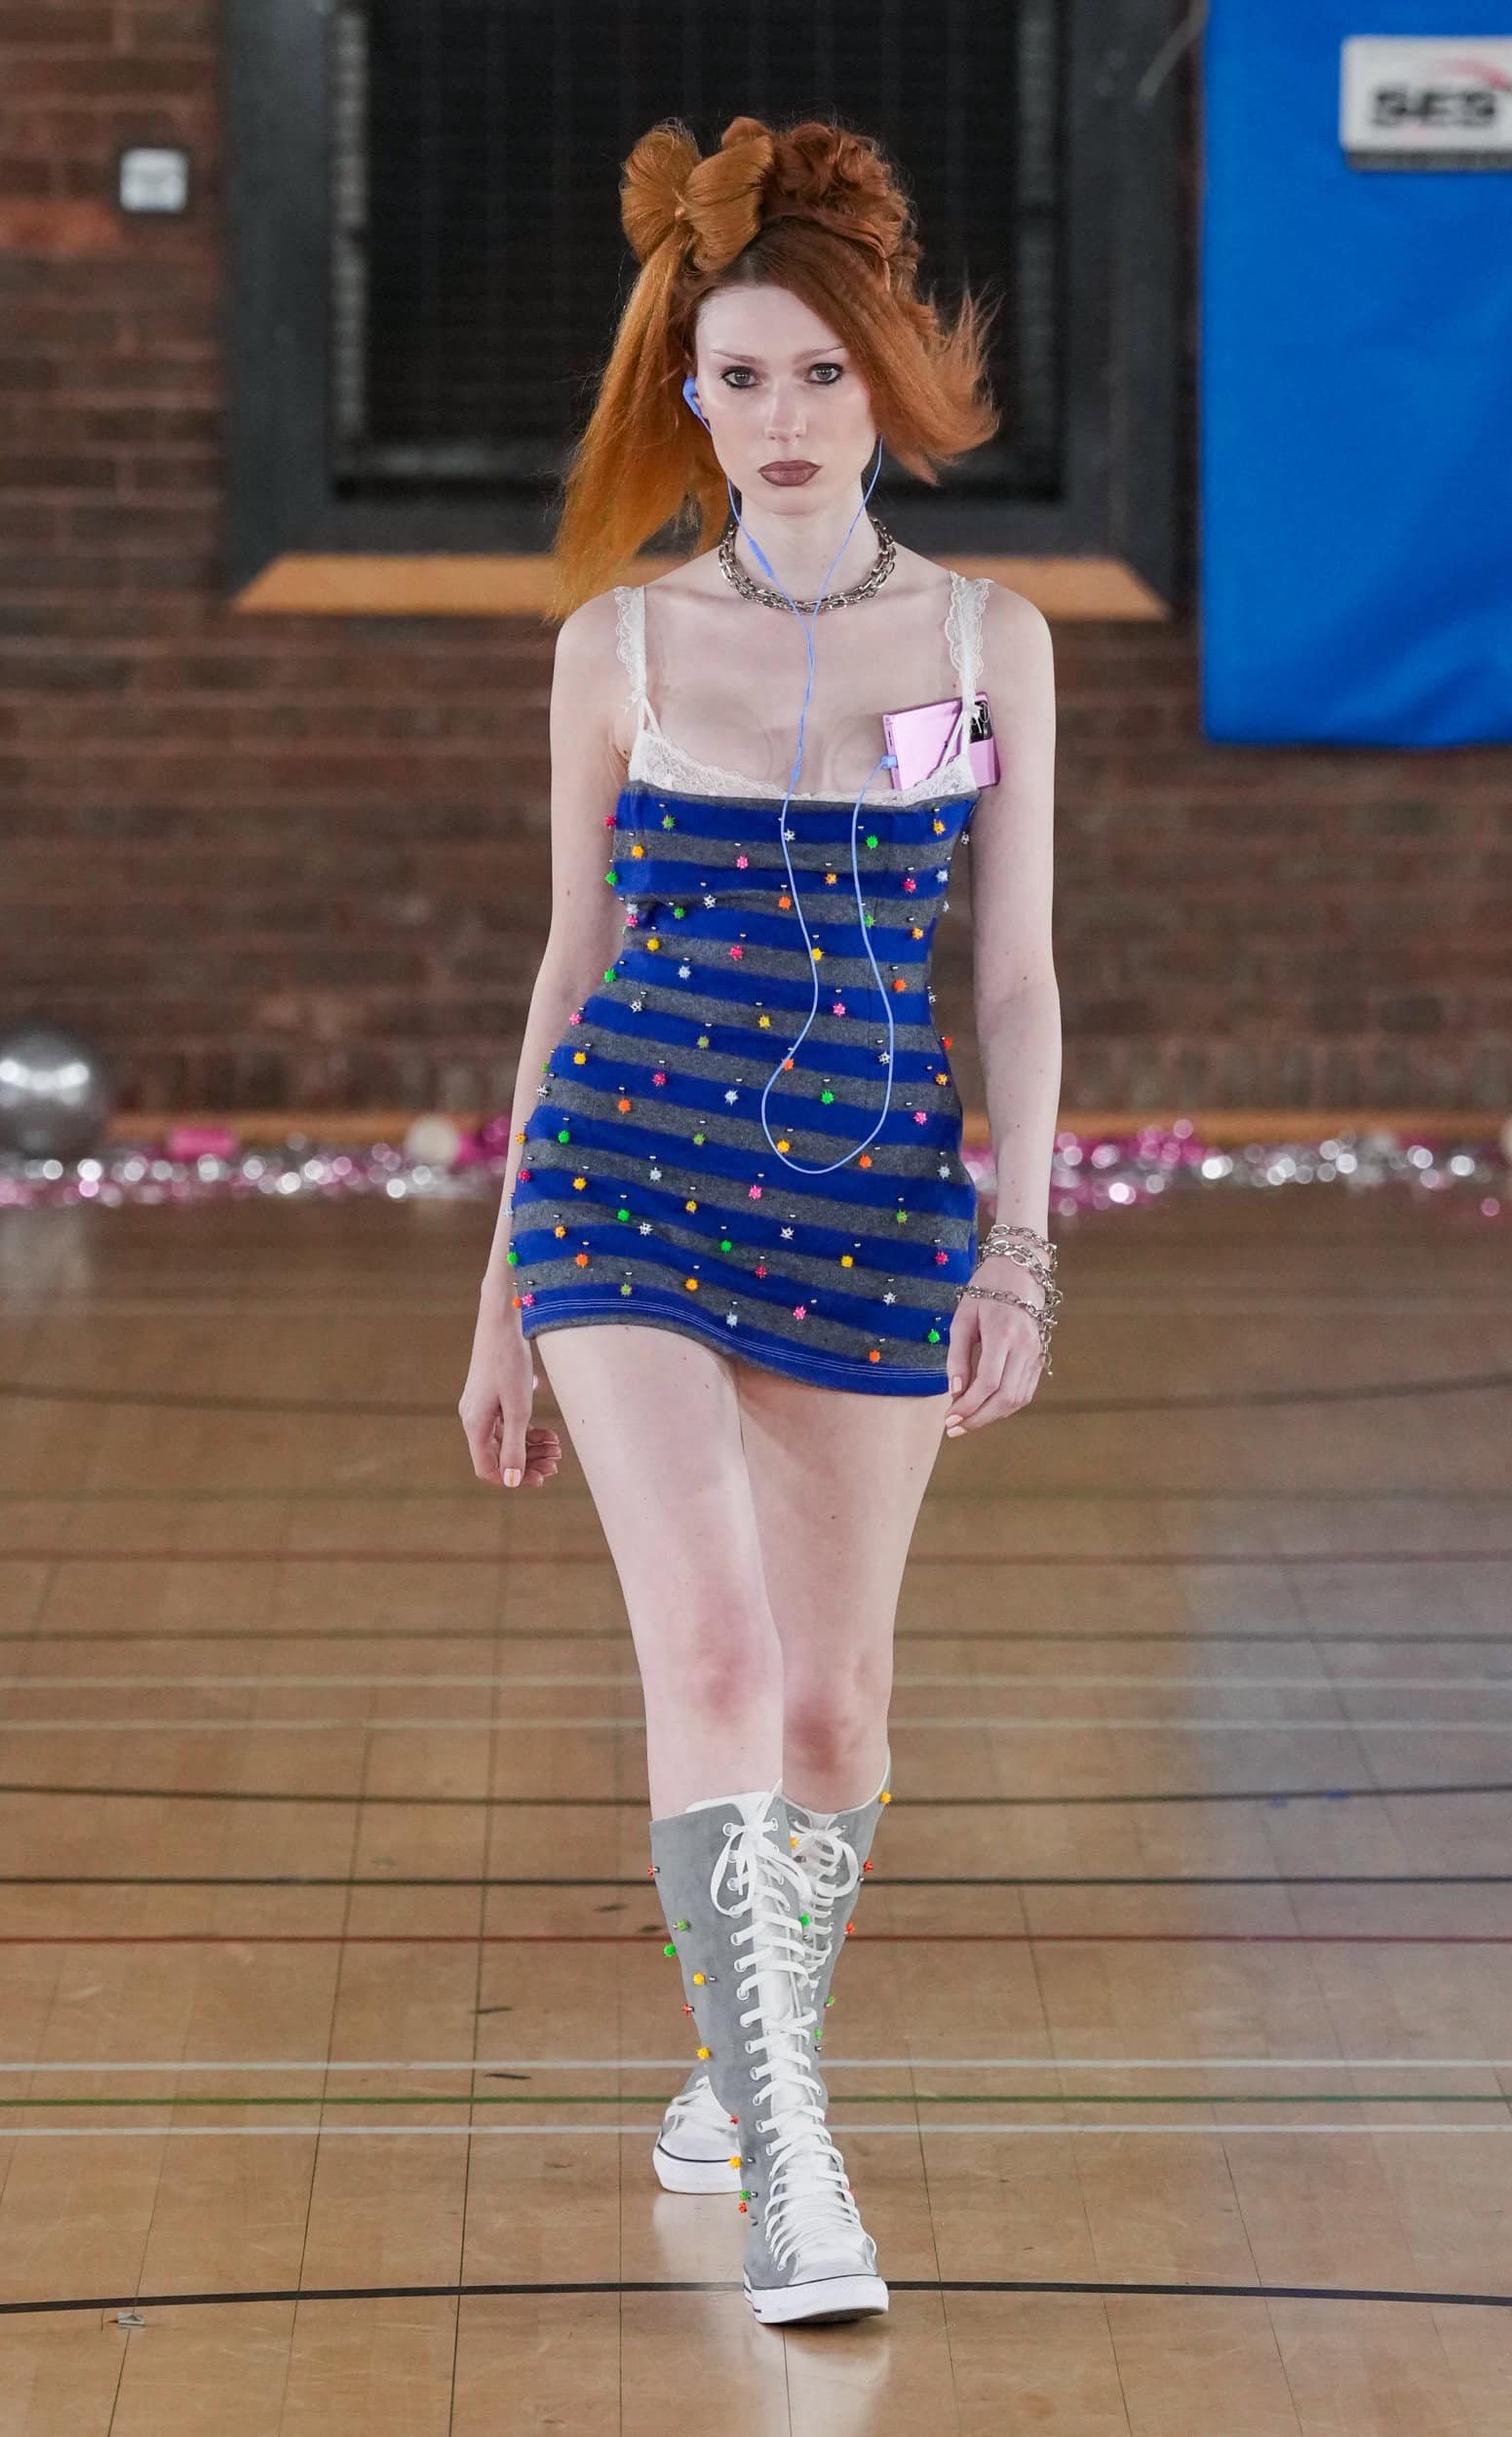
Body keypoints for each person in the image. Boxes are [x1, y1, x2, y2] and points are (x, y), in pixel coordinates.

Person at [458, 112, 1060, 2328]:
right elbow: (567, 971)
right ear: (686, 399)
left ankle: (739, 2064)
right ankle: (801, 2162)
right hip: (625, 1177)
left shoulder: (990, 640)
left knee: (831, 1713)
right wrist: (502, 1295)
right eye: (739, 377)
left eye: (820, 372)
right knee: (708, 1660)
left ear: (883, 383)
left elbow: (1015, 978)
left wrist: (1020, 1246)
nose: (783, 416)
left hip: (876, 1204)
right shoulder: (615, 646)